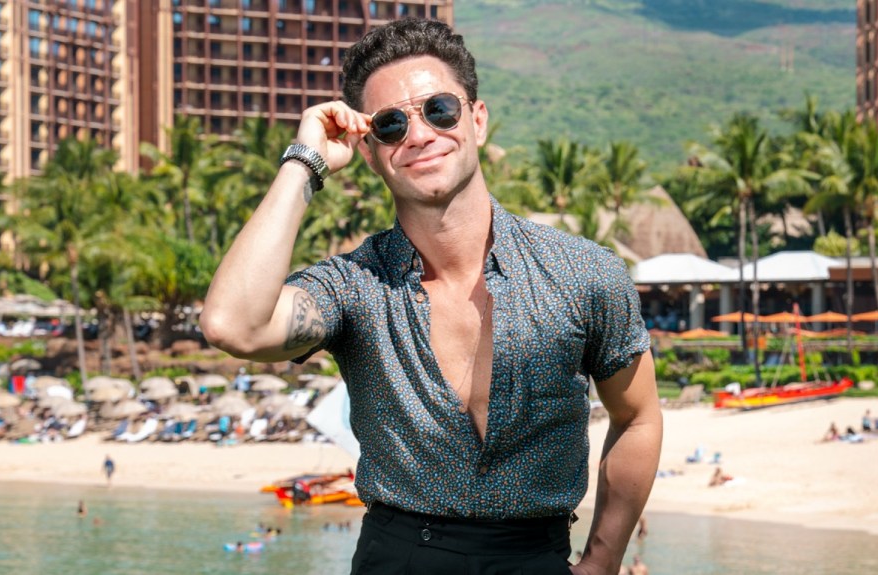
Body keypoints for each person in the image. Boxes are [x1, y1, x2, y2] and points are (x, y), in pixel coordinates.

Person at [199, 18, 662, 575]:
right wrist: (305, 161)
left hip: (536, 557)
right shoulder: (355, 286)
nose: (418, 135)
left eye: (439, 110)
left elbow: (638, 418)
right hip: (398, 557)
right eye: (390, 125)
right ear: (370, 152)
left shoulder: (583, 274)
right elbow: (232, 325)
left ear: (478, 120)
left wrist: (603, 560)